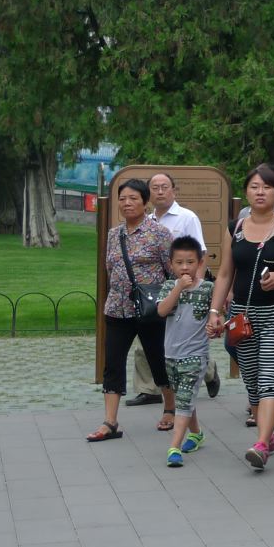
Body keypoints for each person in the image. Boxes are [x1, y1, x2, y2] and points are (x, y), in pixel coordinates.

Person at [206, 164, 274, 470]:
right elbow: (226, 273)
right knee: (251, 378)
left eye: (266, 187)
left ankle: (262, 443)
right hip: (242, 314)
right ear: (247, 192)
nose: (260, 192)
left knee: (269, 378)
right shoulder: (234, 229)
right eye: (254, 186)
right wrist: (215, 311)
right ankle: (267, 428)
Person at [87, 179, 175, 441]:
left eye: (133, 198)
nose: (127, 203)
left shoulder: (158, 233)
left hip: (150, 310)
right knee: (112, 363)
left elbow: (171, 271)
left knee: (158, 360)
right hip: (117, 309)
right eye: (122, 198)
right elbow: (109, 268)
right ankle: (110, 422)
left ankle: (170, 408)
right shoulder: (115, 234)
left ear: (145, 202)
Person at [130, 173, 218, 407]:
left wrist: (197, 287)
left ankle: (208, 371)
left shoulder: (186, 217)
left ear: (173, 190)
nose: (160, 191)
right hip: (156, 289)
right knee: (147, 339)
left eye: (164, 187)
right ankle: (148, 388)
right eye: (155, 188)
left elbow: (200, 253)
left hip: (185, 288)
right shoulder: (147, 221)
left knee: (186, 337)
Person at [156, 236, 214, 467]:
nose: (184, 267)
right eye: (179, 262)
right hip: (170, 354)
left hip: (195, 355)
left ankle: (174, 447)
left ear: (200, 262)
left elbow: (217, 315)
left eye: (190, 262)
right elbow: (161, 311)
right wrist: (178, 288)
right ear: (171, 264)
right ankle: (196, 433)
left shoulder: (208, 289)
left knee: (183, 400)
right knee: (184, 397)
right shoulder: (170, 286)